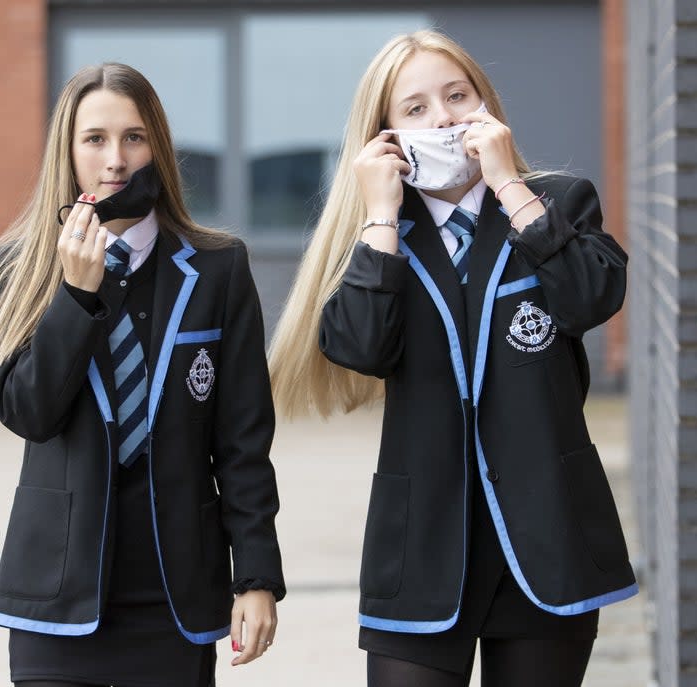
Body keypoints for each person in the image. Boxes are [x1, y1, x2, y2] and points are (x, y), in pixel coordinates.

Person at [268, 30, 636, 687]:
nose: (441, 118)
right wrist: (380, 213)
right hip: (422, 546)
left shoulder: (558, 201)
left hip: (547, 533)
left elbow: (592, 298)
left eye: (457, 96)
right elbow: (357, 348)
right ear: (385, 137)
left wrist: (510, 187)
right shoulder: (384, 236)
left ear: (487, 106)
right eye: (414, 109)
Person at [0, 62, 284, 687]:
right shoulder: (12, 268)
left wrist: (255, 576)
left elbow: (243, 440)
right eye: (95, 139)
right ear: (68, 149)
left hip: (175, 593)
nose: (115, 159)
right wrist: (77, 296)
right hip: (57, 594)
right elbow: (29, 413)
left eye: (134, 137)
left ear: (158, 148)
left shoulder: (219, 268)